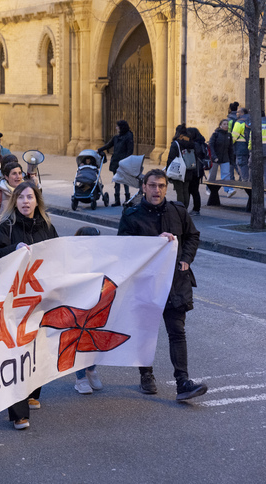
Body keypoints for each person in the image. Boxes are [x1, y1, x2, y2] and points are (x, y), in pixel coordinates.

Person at [118, 169, 208, 401]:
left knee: (177, 332)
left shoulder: (178, 211)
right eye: (152, 185)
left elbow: (193, 235)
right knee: (145, 331)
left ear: (166, 188)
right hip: (145, 285)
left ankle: (183, 383)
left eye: (161, 186)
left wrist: (186, 259)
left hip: (175, 283)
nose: (156, 190)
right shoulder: (132, 215)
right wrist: (153, 244)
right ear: (143, 188)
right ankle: (146, 375)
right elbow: (124, 248)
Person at [0, 180, 56, 428]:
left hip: (39, 296)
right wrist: (13, 250)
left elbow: (59, 256)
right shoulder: (6, 226)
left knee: (37, 345)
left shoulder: (47, 226)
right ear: (15, 201)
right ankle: (18, 411)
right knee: (15, 349)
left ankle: (33, 392)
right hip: (13, 298)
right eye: (21, 197)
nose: (26, 201)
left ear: (37, 201)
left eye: (30, 197)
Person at [71, 226, 105, 394]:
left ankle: (91, 369)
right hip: (78, 304)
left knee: (94, 338)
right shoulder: (72, 260)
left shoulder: (103, 258)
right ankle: (80, 378)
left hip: (97, 303)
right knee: (80, 339)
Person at [0, 160, 25, 240]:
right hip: (4, 240)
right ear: (6, 176)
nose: (18, 176)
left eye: (20, 173)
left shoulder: (27, 194)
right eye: (14, 173)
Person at [98, 120, 134, 206]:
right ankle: (117, 200)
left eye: (117, 126)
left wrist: (125, 161)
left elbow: (130, 151)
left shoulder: (128, 137)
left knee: (125, 181)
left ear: (121, 127)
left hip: (124, 162)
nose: (116, 128)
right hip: (116, 161)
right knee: (117, 180)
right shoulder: (116, 137)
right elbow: (108, 145)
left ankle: (127, 200)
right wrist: (99, 150)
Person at [166, 124, 197, 207]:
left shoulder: (176, 144)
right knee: (186, 190)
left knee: (179, 191)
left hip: (178, 170)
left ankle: (180, 209)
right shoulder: (191, 143)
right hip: (189, 169)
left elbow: (171, 158)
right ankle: (185, 209)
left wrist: (168, 170)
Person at [208, 119, 236, 198]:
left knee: (226, 175)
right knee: (212, 175)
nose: (226, 126)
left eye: (227, 124)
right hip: (215, 158)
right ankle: (209, 189)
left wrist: (232, 160)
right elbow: (211, 146)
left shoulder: (229, 135)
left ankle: (229, 190)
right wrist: (214, 156)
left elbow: (230, 148)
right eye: (224, 124)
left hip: (225, 158)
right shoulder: (215, 134)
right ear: (220, 125)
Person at [187, 127, 208, 216]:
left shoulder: (195, 144)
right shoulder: (201, 143)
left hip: (195, 170)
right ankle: (196, 209)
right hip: (198, 170)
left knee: (193, 190)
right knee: (194, 190)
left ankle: (196, 209)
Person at [231, 106, 251, 181]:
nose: (236, 113)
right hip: (249, 146)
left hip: (240, 147)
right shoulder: (250, 120)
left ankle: (245, 181)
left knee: (241, 164)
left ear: (242, 113)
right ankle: (249, 180)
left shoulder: (239, 122)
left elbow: (234, 137)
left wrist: (229, 145)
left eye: (238, 112)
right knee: (249, 164)